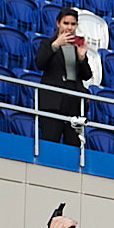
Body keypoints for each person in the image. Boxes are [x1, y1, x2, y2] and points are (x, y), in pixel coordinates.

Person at [30, 7, 100, 146]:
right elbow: (40, 63)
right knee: (50, 141)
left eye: (73, 24)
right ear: (58, 23)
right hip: (53, 100)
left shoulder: (77, 46)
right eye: (66, 23)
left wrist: (81, 57)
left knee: (73, 144)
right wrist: (56, 45)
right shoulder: (48, 44)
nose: (69, 27)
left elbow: (86, 76)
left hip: (73, 101)